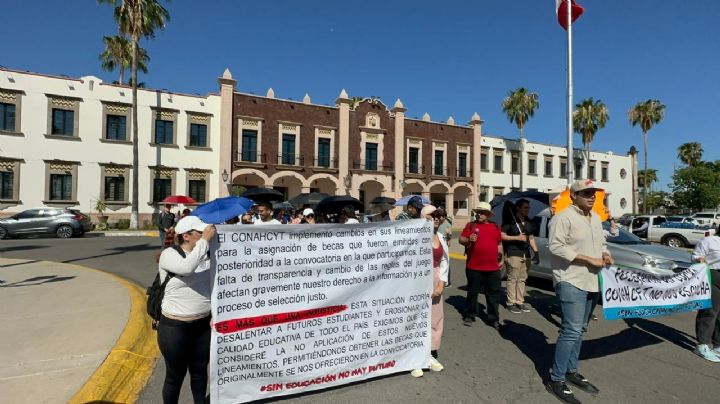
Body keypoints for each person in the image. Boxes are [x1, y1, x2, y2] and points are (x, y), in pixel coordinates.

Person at [546, 179, 613, 404]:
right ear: (574, 195)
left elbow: (601, 242)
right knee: (571, 330)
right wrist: (587, 258)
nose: (591, 196)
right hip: (571, 280)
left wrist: (604, 254)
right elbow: (555, 246)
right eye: (586, 193)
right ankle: (556, 378)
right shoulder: (562, 217)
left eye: (593, 192)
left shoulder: (595, 217)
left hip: (592, 281)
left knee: (580, 330)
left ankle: (571, 371)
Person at [157, 216, 216, 404]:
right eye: (200, 232)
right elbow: (187, 268)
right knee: (175, 376)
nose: (205, 235)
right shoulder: (169, 254)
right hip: (175, 328)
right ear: (186, 236)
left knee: (199, 372)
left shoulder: (206, 255)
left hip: (202, 326)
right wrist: (205, 241)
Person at [411, 205, 449, 378]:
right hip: (419, 281)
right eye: (431, 215)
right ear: (421, 217)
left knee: (435, 319)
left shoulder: (440, 237)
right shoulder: (414, 237)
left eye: (438, 215)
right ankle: (414, 358)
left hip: (435, 280)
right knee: (417, 319)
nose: (435, 217)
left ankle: (429, 354)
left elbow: (444, 263)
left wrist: (441, 284)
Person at [459, 202, 504, 330]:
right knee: (473, 293)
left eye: (482, 212)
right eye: (477, 212)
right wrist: (468, 240)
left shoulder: (495, 227)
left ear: (488, 215)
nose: (479, 214)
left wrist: (502, 258)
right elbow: (461, 239)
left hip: (492, 268)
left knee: (493, 295)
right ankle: (470, 314)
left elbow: (499, 243)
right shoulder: (471, 225)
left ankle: (493, 319)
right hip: (474, 267)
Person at [501, 199, 540, 314]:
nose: (528, 210)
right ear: (518, 208)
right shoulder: (509, 221)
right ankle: (510, 302)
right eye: (525, 208)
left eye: (528, 208)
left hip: (526, 253)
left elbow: (531, 237)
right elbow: (502, 236)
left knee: (522, 279)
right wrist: (516, 238)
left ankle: (519, 301)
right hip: (513, 253)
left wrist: (536, 252)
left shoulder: (528, 221)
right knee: (512, 278)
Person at [691, 225, 720, 362]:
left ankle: (718, 345)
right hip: (712, 275)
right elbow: (695, 256)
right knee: (710, 310)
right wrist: (699, 260)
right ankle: (702, 344)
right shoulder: (709, 241)